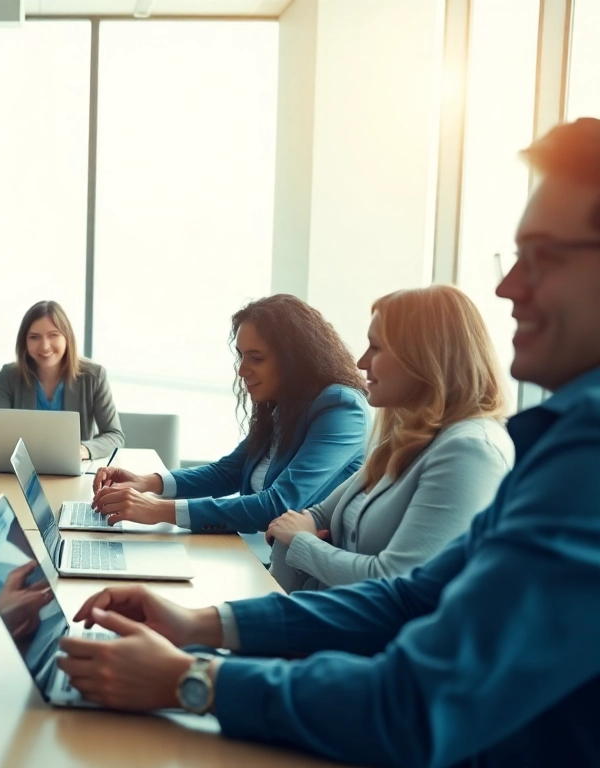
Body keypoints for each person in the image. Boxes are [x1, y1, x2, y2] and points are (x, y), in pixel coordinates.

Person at [55, 118, 600, 767]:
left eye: (542, 256)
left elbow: (415, 703)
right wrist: (201, 624)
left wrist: (191, 679)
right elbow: (411, 596)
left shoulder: (569, 454)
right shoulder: (530, 442)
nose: (509, 287)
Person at [267, 285, 513, 591]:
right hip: (316, 618)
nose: (361, 362)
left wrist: (302, 542)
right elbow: (314, 517)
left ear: (424, 357)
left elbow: (398, 580)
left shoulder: (471, 450)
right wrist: (297, 538)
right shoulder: (407, 438)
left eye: (376, 347)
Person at [92, 295, 369, 533]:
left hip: (295, 569)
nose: (242, 370)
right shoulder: (284, 405)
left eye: (256, 358)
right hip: (256, 550)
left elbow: (279, 504)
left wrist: (160, 510)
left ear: (295, 359)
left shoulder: (340, 408)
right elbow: (227, 472)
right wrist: (148, 482)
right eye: (242, 356)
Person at [0, 300, 123, 460]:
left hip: (74, 472)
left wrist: (84, 450)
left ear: (67, 337)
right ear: (24, 342)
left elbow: (114, 435)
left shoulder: (94, 376)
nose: (45, 346)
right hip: (23, 472)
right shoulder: (9, 375)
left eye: (53, 335)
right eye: (34, 337)